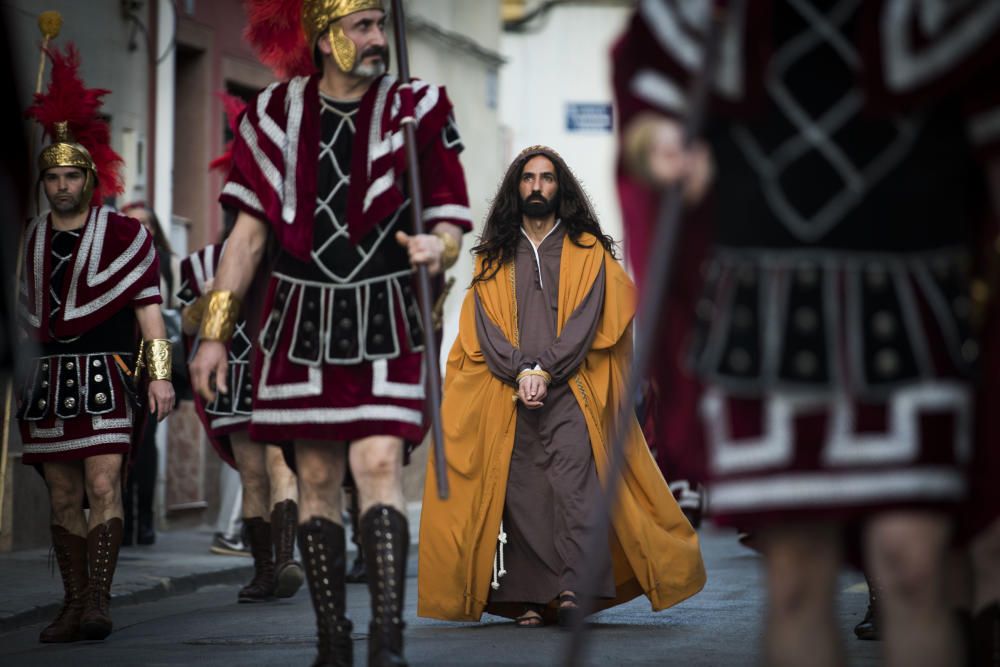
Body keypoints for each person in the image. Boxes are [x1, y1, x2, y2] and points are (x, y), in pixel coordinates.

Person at [612, 3, 1000, 666]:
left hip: (907, 306)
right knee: (795, 575)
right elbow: (651, 94)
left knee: (914, 561)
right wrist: (660, 148)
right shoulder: (712, 13)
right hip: (765, 311)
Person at [189, 1, 472, 664]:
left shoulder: (421, 107)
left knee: (377, 462)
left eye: (380, 23)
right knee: (314, 473)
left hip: (385, 314)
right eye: (361, 26)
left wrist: (441, 245)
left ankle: (387, 639)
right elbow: (247, 238)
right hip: (298, 321)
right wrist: (212, 334)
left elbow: (452, 210)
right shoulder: (271, 118)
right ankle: (333, 640)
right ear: (323, 38)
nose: (377, 39)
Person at [417, 145, 706, 629]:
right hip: (507, 392)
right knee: (520, 491)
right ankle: (529, 597)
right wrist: (519, 370)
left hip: (572, 390)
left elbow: (588, 324)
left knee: (575, 488)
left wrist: (544, 370)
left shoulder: (588, 252)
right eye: (528, 178)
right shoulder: (493, 258)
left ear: (560, 188)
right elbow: (482, 328)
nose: (536, 186)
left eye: (546, 178)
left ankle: (575, 589)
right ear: (516, 189)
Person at [18, 44, 175, 643]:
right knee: (62, 493)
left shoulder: (127, 237)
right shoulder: (27, 239)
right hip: (45, 383)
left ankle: (99, 604)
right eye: (53, 176)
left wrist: (158, 375)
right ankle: (72, 601)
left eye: (72, 175)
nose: (62, 186)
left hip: (107, 376)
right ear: (45, 180)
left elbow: (150, 311)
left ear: (91, 176)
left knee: (104, 483)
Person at [178, 242, 304, 601]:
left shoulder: (290, 250)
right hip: (230, 379)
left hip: (281, 370)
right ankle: (264, 571)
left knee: (281, 466)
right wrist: (209, 298)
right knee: (252, 476)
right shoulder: (202, 262)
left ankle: (284, 561)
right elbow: (186, 325)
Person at [118, 202, 173, 546]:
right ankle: (123, 520)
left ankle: (146, 520)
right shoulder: (113, 261)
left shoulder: (165, 263)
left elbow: (170, 313)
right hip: (118, 365)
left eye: (148, 223)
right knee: (117, 445)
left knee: (147, 444)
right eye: (134, 223)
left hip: (150, 365)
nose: (142, 228)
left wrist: (162, 374)